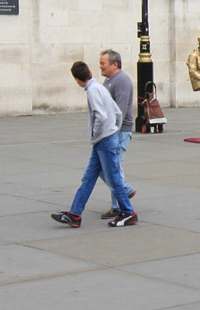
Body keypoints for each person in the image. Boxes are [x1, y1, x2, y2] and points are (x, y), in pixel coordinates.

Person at [52, 61, 137, 227]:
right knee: (89, 177)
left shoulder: (92, 91)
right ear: (90, 72)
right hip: (106, 138)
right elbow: (118, 112)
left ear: (77, 80)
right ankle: (75, 214)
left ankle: (129, 212)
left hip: (103, 140)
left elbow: (100, 115)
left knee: (113, 177)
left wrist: (95, 132)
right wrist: (114, 129)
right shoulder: (100, 88)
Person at [99, 49, 136, 219]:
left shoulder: (121, 81)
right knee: (105, 167)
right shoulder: (109, 80)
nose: (101, 67)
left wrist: (111, 132)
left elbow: (119, 111)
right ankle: (122, 195)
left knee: (114, 167)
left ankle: (119, 204)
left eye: (103, 63)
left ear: (114, 64)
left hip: (119, 132)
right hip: (111, 131)